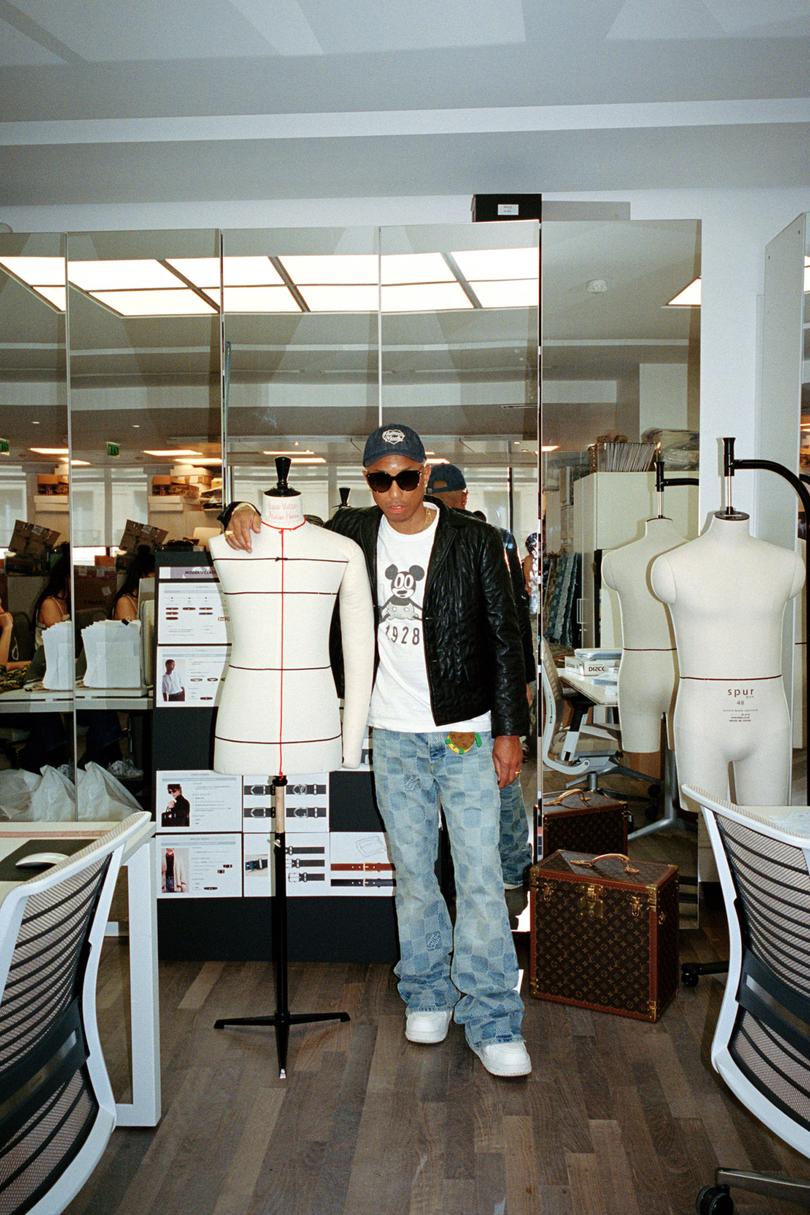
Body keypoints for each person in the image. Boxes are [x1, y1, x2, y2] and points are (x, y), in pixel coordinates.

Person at [223, 423, 531, 1077]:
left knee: (479, 878)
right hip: (391, 734)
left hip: (466, 730)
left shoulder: (474, 541)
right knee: (415, 877)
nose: (394, 491)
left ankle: (494, 1017)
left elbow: (508, 637)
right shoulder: (351, 534)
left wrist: (512, 730)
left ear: (426, 474)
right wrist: (237, 510)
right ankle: (427, 993)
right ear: (369, 482)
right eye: (379, 478)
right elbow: (283, 527)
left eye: (405, 476)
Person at [427, 462, 534, 890]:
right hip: (450, 688)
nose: (439, 503)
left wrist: (521, 679)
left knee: (499, 777)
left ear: (463, 497)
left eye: (443, 495)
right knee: (484, 780)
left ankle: (512, 865)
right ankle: (505, 865)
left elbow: (513, 616)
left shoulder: (492, 540)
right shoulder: (415, 536)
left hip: (487, 683)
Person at [112, 544, 155, 622]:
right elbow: (130, 631)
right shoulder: (124, 602)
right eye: (153, 579)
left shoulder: (143, 600)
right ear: (142, 576)